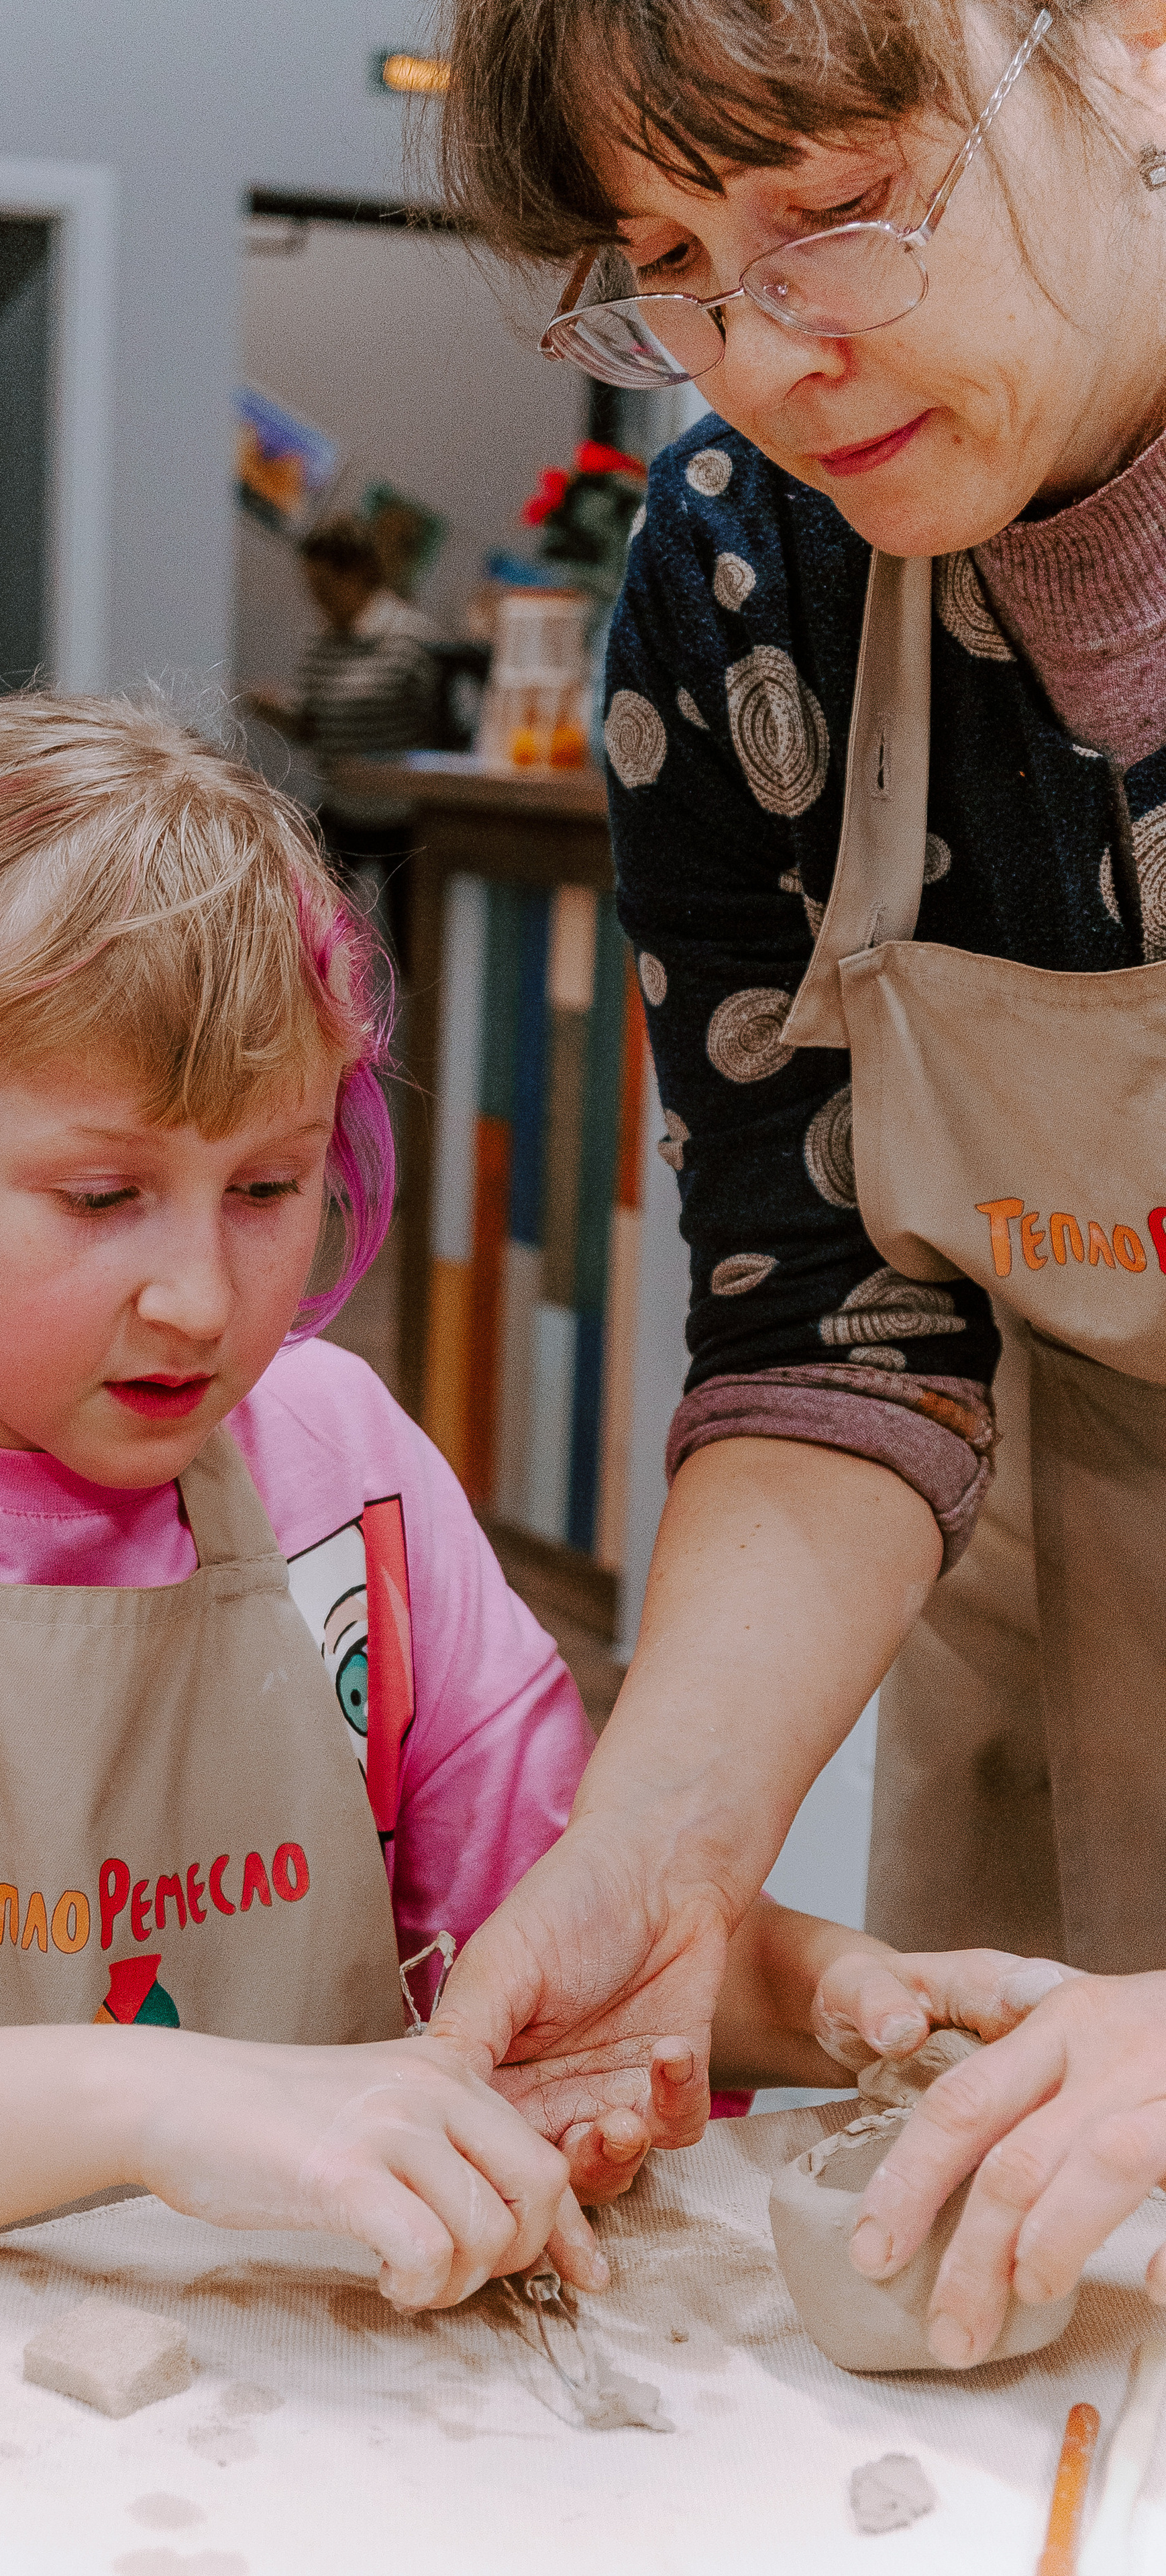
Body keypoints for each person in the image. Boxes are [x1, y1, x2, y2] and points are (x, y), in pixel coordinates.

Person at [0, 692, 1025, 2318]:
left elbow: (568, 1921)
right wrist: (158, 2103)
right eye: (101, 1196)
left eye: (269, 1186)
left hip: (286, 2404)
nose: (203, 1298)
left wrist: (833, 1987)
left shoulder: (339, 1461)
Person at [427, 0, 1166, 2369]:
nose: (760, 354)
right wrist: (659, 1860)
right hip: (1072, 1584)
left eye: (837, 214)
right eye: (668, 266)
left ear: (1132, 51)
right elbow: (828, 1311)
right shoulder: (749, 579)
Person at [244, 517, 438, 965]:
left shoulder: (410, 638)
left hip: (403, 816)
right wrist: (275, 710)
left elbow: (443, 725)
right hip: (343, 806)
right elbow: (318, 726)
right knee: (297, 927)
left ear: (356, 575)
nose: (316, 599)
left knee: (416, 949)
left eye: (325, 586)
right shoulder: (320, 644)